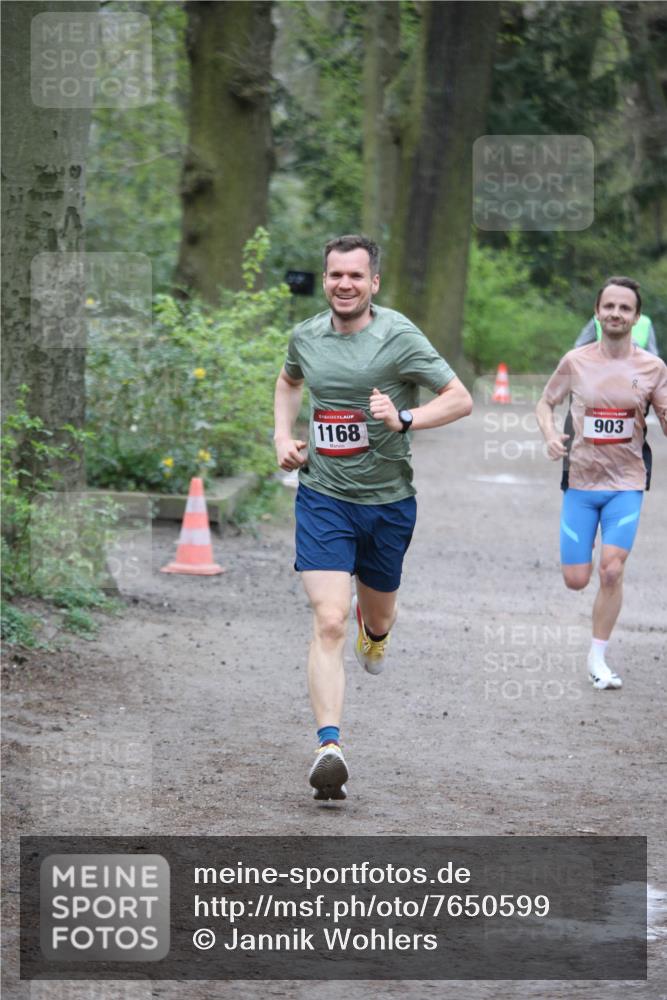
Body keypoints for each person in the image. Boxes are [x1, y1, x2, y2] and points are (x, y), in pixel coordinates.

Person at [273, 234, 472, 800]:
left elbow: (459, 398)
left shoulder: (398, 335)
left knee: (375, 618)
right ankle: (329, 747)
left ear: (373, 283)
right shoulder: (306, 337)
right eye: (336, 275)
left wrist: (405, 417)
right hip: (323, 497)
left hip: (386, 503)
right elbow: (289, 381)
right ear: (326, 278)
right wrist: (283, 435)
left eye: (355, 276)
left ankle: (376, 632)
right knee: (329, 619)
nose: (344, 284)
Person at [536, 276, 667, 690]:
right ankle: (590, 578)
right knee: (577, 579)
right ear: (597, 312)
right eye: (608, 306)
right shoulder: (576, 361)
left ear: (636, 317)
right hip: (580, 482)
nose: (615, 314)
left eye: (624, 308)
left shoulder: (652, 367)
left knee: (611, 570)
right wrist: (551, 434)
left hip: (627, 482)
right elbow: (545, 401)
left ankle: (598, 658)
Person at [574, 313, 659, 355]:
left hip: (634, 377)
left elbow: (653, 356)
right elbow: (579, 348)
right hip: (600, 373)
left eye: (625, 307)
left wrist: (636, 351)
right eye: (610, 305)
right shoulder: (598, 319)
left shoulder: (645, 322)